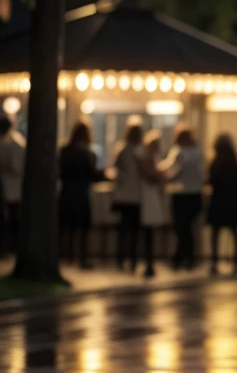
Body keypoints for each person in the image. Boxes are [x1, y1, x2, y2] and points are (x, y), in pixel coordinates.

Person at [59, 121, 104, 268]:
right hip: (81, 194)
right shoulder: (87, 153)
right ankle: (82, 259)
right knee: (82, 228)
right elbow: (93, 174)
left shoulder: (64, 151)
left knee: (68, 228)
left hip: (66, 193)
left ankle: (67, 257)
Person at [161, 126, 204, 270]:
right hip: (196, 194)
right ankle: (188, 258)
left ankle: (179, 258)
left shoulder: (178, 152)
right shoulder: (197, 151)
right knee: (189, 229)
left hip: (181, 194)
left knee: (180, 229)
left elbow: (172, 170)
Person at [207, 133, 237, 274]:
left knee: (216, 232)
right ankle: (236, 260)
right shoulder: (236, 162)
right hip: (233, 200)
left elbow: (211, 180)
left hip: (219, 200)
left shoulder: (215, 162)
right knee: (234, 232)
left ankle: (214, 260)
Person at [111, 119, 143, 271]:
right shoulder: (139, 151)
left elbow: (115, 170)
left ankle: (121, 258)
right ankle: (132, 259)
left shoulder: (122, 149)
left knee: (124, 229)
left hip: (123, 195)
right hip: (135, 196)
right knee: (133, 231)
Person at [138, 129, 166, 278]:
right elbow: (152, 175)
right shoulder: (147, 158)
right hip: (148, 197)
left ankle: (149, 263)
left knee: (149, 231)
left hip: (151, 196)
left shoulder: (150, 157)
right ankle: (148, 263)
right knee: (148, 231)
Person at [0, 115, 26, 257]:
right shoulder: (13, 143)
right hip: (12, 186)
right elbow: (17, 166)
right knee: (11, 218)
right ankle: (10, 247)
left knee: (10, 218)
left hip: (10, 186)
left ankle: (10, 247)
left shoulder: (11, 143)